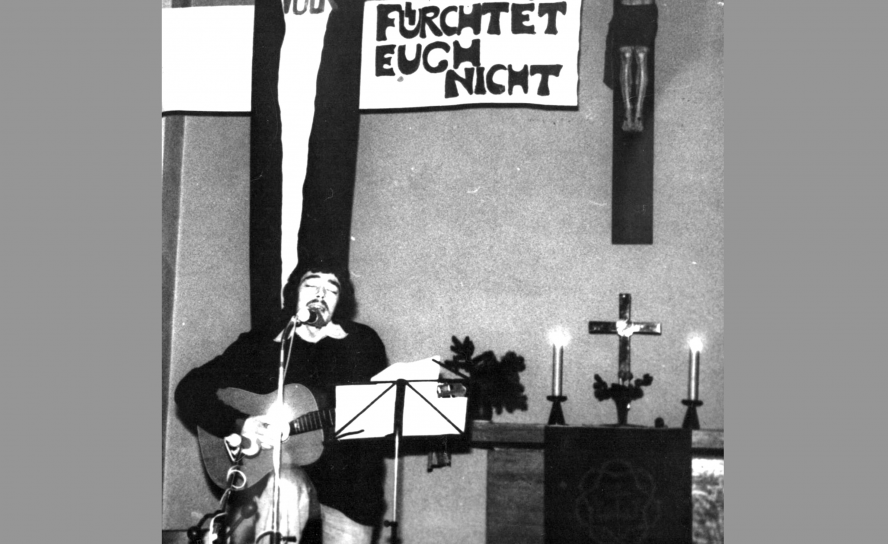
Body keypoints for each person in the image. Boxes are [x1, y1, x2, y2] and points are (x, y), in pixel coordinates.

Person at [175, 259, 389, 544]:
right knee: (284, 485)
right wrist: (239, 424)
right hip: (278, 475)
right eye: (311, 285)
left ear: (341, 302)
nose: (320, 295)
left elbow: (377, 409)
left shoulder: (362, 342)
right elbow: (190, 389)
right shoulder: (262, 343)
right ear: (294, 293)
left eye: (332, 289)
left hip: (348, 486)